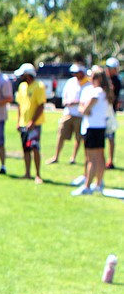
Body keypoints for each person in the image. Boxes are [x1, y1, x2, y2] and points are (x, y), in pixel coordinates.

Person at [72, 65, 115, 196]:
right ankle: (98, 183)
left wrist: (84, 109)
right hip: (100, 127)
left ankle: (87, 186)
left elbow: (84, 109)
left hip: (92, 127)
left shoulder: (96, 92)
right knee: (100, 156)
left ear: (96, 78)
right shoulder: (105, 92)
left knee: (92, 158)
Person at [47, 64, 88, 165]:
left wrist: (75, 102)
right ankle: (56, 156)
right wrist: (66, 102)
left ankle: (73, 157)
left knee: (78, 138)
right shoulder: (70, 82)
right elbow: (64, 96)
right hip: (68, 113)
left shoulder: (87, 84)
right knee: (61, 134)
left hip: (79, 115)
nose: (75, 75)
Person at [14, 63, 47, 183]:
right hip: (23, 123)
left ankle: (38, 174)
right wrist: (19, 121)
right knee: (25, 149)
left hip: (35, 124)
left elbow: (41, 105)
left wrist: (33, 121)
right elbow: (19, 105)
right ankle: (27, 173)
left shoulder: (39, 86)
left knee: (35, 148)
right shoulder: (22, 86)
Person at [105, 57, 121, 169]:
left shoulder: (116, 81)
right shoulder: (104, 79)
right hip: (102, 113)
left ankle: (110, 160)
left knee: (110, 137)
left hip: (110, 113)